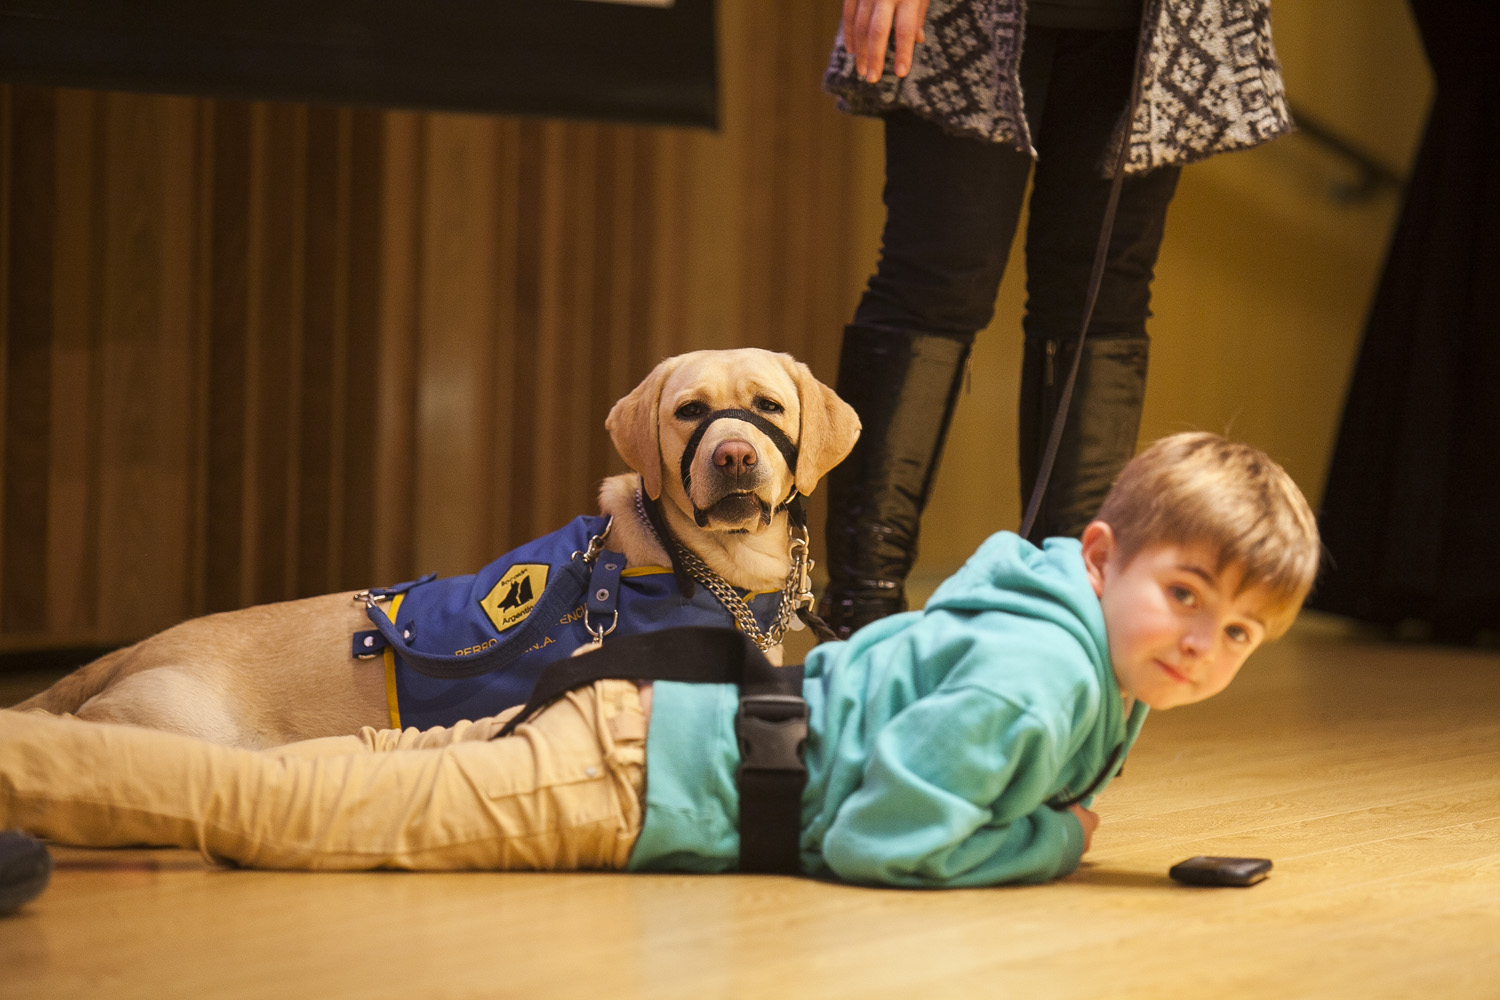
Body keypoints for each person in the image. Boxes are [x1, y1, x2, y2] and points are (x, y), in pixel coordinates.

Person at [0, 433, 1318, 887]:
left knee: (318, 790)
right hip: (635, 783)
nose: (1204, 644)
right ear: (1101, 560)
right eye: (1185, 595)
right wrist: (1052, 846)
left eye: (1242, 632)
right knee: (280, 807)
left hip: (649, 742)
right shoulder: (1049, 675)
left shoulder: (1067, 634)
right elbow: (885, 841)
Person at [817, 0, 1294, 637]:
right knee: (933, 285)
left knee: (1102, 305)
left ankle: (1063, 625)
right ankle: (859, 622)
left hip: (1156, 26)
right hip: (970, 15)